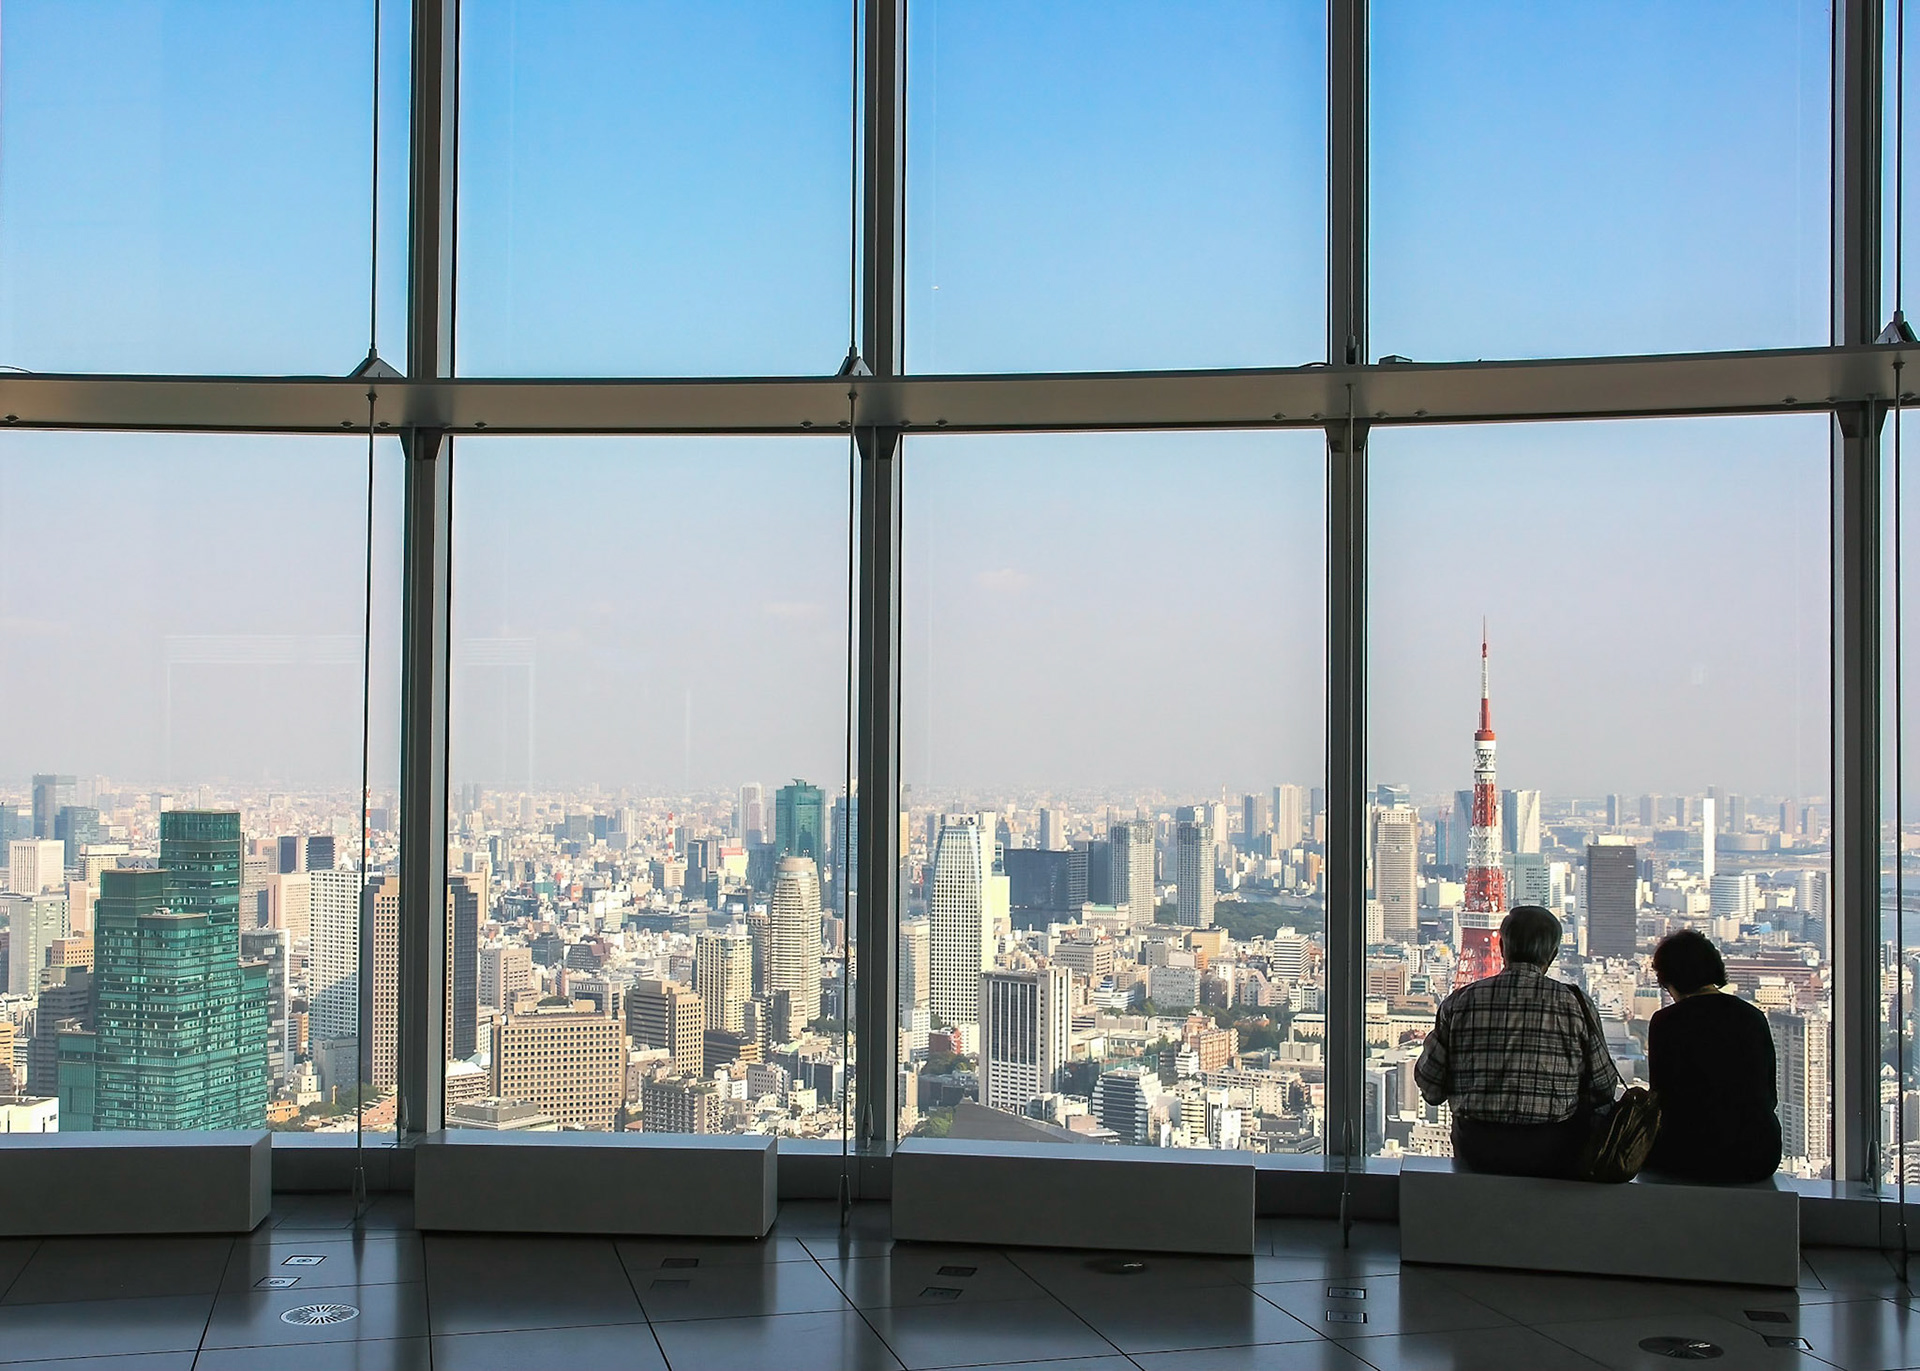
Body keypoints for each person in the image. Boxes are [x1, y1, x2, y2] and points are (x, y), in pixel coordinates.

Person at [1414, 905, 1621, 1178]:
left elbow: (1430, 1087)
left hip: (1477, 1151)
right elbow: (1604, 1087)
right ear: (1553, 954)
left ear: (1502, 946)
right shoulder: (1575, 1005)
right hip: (1554, 1150)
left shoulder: (1460, 1003)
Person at [1641, 929, 1782, 1184]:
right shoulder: (1751, 1016)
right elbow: (1768, 1093)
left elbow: (1662, 1097)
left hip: (1690, 1154)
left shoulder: (1667, 1022)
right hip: (1759, 1154)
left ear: (1668, 978)